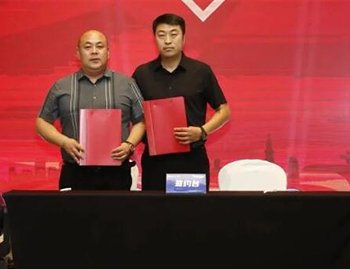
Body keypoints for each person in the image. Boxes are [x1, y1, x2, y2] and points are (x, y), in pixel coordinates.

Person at [36, 30, 145, 190]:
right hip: (75, 172)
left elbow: (141, 120)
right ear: (78, 53)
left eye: (99, 46)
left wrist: (129, 144)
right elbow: (42, 123)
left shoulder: (127, 84)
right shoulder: (61, 86)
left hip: (117, 173)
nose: (94, 51)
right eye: (88, 47)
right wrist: (64, 142)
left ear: (108, 52)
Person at [132, 13, 230, 190]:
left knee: (191, 207)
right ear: (155, 39)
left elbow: (224, 111)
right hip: (155, 163)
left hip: (191, 159)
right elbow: (134, 116)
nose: (168, 41)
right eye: (161, 35)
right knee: (154, 207)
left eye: (173, 34)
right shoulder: (142, 74)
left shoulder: (201, 71)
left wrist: (202, 131)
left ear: (184, 38)